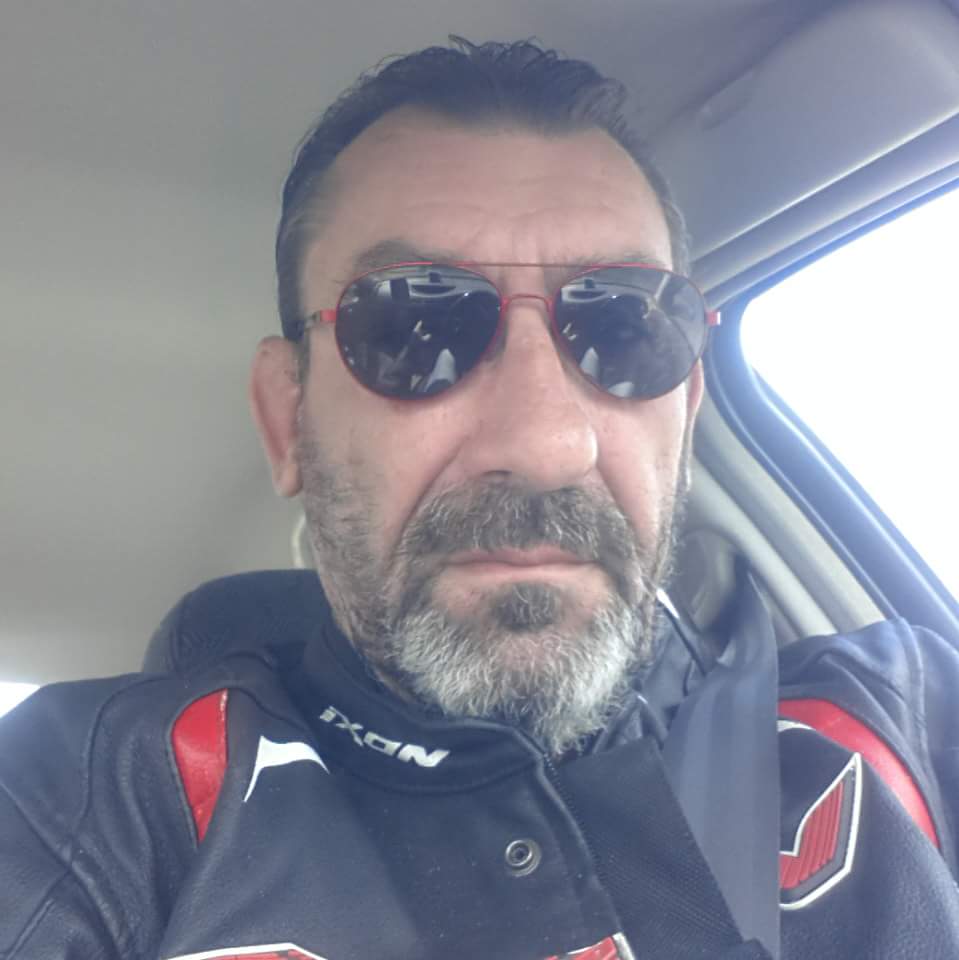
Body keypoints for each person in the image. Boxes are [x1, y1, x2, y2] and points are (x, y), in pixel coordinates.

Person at [2, 37, 958, 960]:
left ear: (688, 402)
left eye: (625, 331)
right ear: (287, 418)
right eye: (413, 326)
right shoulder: (87, 803)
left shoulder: (900, 713)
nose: (546, 446)